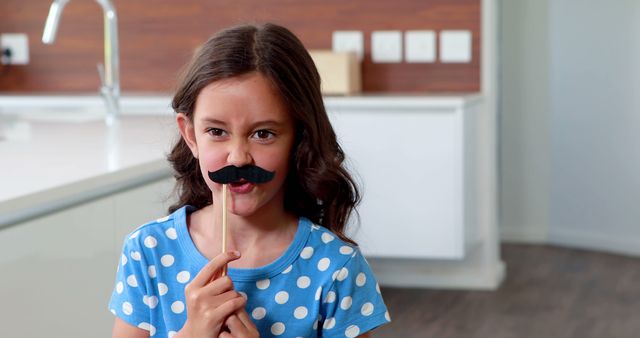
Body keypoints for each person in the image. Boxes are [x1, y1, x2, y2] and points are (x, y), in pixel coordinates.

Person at [108, 23, 391, 338]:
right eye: (217, 131)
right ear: (190, 135)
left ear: (299, 139)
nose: (238, 158)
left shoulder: (336, 269)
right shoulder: (148, 251)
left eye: (263, 134)